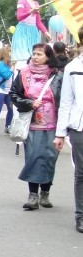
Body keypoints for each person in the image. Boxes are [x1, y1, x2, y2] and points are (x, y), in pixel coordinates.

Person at [10, 43, 62, 211]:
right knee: (32, 157)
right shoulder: (23, 74)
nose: (35, 56)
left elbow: (65, 98)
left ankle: (45, 192)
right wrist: (29, 103)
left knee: (49, 159)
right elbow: (14, 94)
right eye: (34, 53)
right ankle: (32, 195)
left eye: (39, 54)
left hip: (53, 124)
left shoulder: (57, 76)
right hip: (31, 124)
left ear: (48, 56)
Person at [54, 27, 83, 232]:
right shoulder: (73, 67)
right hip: (79, 127)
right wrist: (60, 133)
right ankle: (80, 215)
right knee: (82, 173)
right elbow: (66, 101)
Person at [12, 0, 50, 64]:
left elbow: (38, 22)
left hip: (33, 32)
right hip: (23, 31)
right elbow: (19, 17)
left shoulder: (36, 4)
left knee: (34, 56)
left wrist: (46, 33)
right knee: (23, 57)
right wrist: (31, 11)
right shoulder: (22, 1)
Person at [0, 45, 15, 136]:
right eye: (10, 52)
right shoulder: (0, 64)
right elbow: (7, 75)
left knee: (11, 109)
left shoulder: (8, 64)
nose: (11, 54)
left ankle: (8, 126)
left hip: (8, 89)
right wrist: (12, 69)